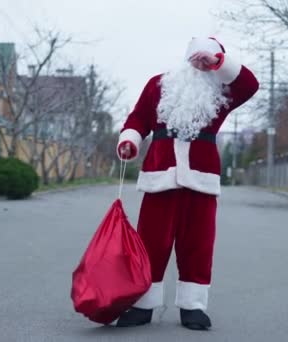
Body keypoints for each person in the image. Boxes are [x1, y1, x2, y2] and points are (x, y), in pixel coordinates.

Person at [115, 37, 259, 330]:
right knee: (150, 243)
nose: (200, 63)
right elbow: (138, 118)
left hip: (200, 178)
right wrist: (129, 141)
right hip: (160, 177)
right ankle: (143, 304)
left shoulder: (223, 93)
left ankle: (193, 306)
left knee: (198, 244)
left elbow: (250, 85)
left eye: (208, 59)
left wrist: (218, 63)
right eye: (196, 57)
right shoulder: (159, 85)